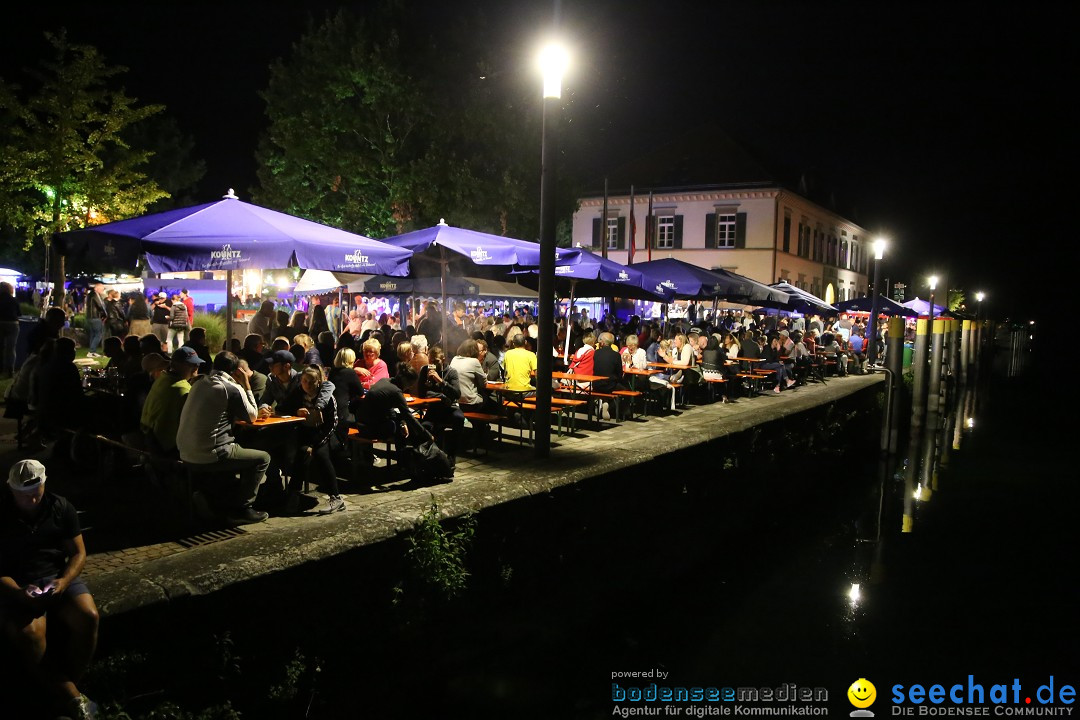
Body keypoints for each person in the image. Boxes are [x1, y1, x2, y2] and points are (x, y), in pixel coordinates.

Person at [0, 460, 100, 719]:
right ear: (11, 491)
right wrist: (19, 593)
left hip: (55, 577)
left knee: (88, 616)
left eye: (36, 495)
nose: (31, 502)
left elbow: (78, 552)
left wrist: (64, 581)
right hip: (17, 582)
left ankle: (62, 689)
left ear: (44, 485)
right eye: (24, 497)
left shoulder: (60, 506)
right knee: (30, 636)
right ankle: (72, 697)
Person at [175, 352, 270, 525]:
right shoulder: (230, 388)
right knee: (263, 458)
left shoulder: (199, 383)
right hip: (210, 453)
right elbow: (252, 416)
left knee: (236, 453)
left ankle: (214, 499)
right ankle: (243, 509)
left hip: (184, 451)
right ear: (236, 371)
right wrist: (246, 385)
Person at [275, 366, 344, 515]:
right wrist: (296, 411)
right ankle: (294, 495)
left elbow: (332, 423)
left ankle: (336, 497)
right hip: (306, 434)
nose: (307, 385)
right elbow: (281, 408)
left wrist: (316, 443)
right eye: (304, 381)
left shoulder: (326, 398)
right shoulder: (298, 393)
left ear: (318, 382)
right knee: (301, 454)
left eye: (311, 382)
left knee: (321, 455)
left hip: (326, 435)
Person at [141, 347, 204, 456]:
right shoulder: (183, 389)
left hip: (149, 438)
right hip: (167, 448)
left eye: (197, 364)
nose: (196, 367)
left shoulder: (163, 378)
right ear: (177, 365)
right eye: (192, 364)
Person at [0, 281, 21, 376]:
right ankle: (10, 369)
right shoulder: (14, 300)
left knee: (1, 347)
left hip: (1, 322)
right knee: (11, 348)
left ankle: (1, 368)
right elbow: (19, 313)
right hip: (13, 324)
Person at [84, 283, 107, 356]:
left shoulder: (90, 295)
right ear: (97, 288)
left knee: (93, 334)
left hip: (90, 317)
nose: (103, 290)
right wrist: (105, 315)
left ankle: (92, 351)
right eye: (102, 289)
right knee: (98, 334)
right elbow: (100, 305)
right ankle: (92, 351)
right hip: (95, 317)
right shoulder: (95, 295)